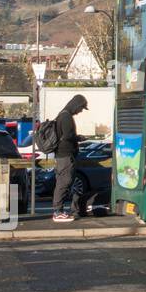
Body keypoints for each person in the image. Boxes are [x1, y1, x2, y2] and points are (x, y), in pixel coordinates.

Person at [51, 94, 88, 222]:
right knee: (64, 182)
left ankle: (58, 210)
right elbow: (67, 136)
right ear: (76, 105)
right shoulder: (66, 117)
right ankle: (58, 211)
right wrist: (79, 138)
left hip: (62, 155)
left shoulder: (62, 115)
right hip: (65, 155)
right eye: (81, 108)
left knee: (62, 182)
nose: (80, 111)